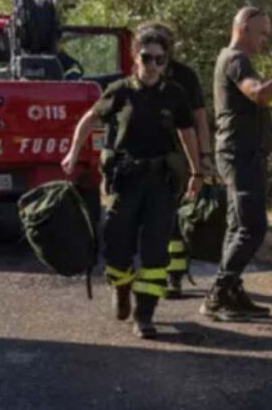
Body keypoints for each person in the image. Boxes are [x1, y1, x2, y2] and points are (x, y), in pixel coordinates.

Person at [62, 28, 202, 339]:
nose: (152, 64)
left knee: (155, 252)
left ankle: (145, 314)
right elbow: (89, 119)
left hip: (160, 184)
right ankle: (121, 288)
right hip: (125, 183)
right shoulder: (120, 92)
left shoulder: (174, 94)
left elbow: (187, 132)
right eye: (146, 57)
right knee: (117, 246)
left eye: (159, 59)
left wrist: (197, 171)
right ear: (135, 57)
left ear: (166, 61)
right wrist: (73, 152)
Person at [201, 6, 272, 321]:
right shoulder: (236, 60)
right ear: (244, 27)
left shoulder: (235, 59)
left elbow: (265, 94)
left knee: (238, 225)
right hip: (240, 154)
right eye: (262, 33)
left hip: (244, 154)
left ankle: (231, 290)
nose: (264, 40)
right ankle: (219, 294)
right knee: (252, 227)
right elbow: (260, 94)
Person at [134, 22, 213, 299]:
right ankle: (156, 273)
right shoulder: (137, 74)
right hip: (145, 158)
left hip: (178, 158)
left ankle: (174, 276)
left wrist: (203, 159)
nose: (153, 59)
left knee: (175, 218)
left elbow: (199, 119)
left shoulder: (184, 76)